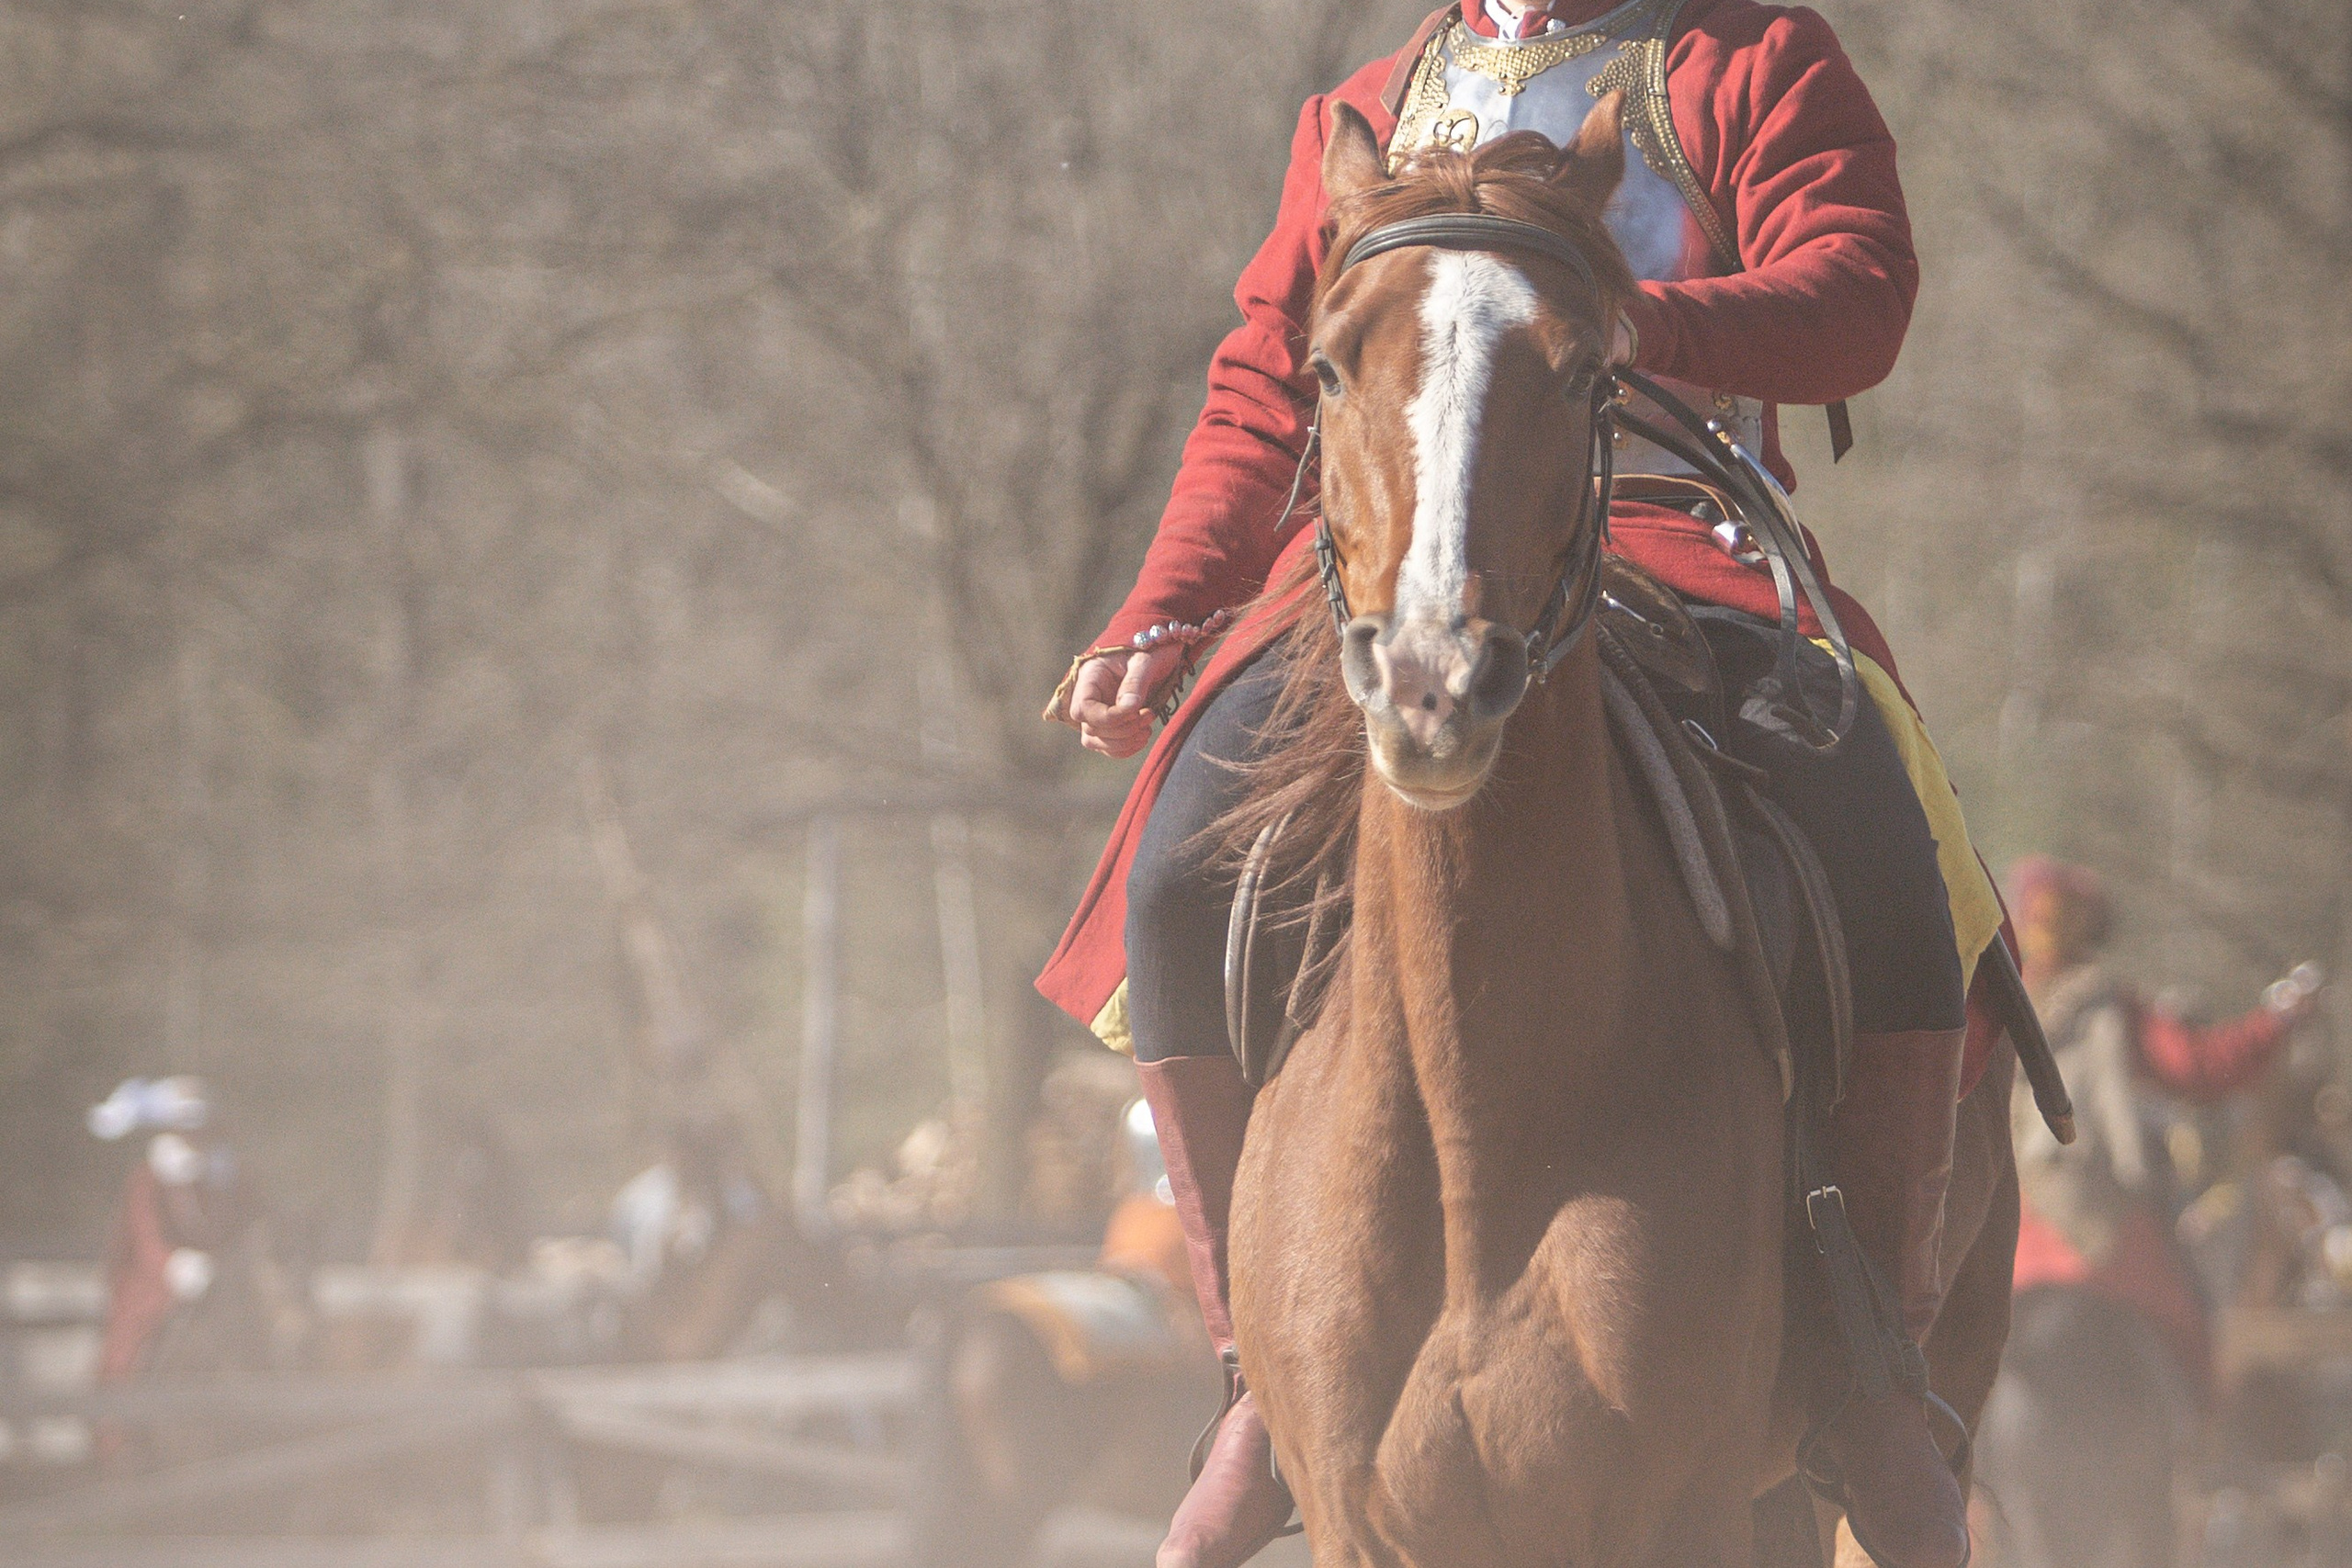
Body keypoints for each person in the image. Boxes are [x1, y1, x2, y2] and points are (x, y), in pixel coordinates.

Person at [1033, 3, 2013, 1564]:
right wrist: (1168, 604)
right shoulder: (1362, 102)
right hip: (1382, 545)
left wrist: (1632, 322)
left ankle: (1874, 1372)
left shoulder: (1753, 59)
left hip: (1670, 515)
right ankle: (1252, 1380)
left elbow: (1858, 295)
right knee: (1169, 862)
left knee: (1879, 829)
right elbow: (1261, 390)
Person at [2007, 856, 2323, 1398]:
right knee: (2189, 1335)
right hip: (2105, 1233)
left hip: (2012, 1224)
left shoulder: (1991, 1002)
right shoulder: (2110, 1004)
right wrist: (2281, 1019)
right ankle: (2201, 1448)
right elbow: (2200, 1067)